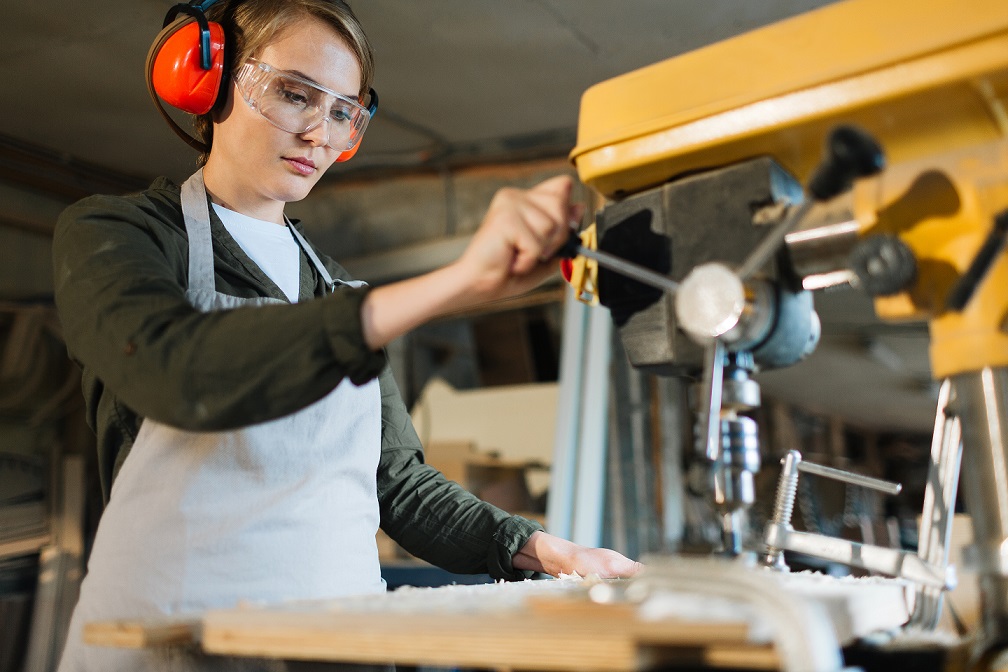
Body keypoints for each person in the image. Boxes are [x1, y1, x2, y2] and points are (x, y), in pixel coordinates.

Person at [53, 1, 641, 670]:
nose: (319, 134)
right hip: (167, 643)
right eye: (293, 94)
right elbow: (176, 371)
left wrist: (540, 548)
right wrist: (453, 285)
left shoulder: (339, 291)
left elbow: (395, 483)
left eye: (341, 112)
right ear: (207, 81)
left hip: (335, 644)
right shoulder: (118, 233)